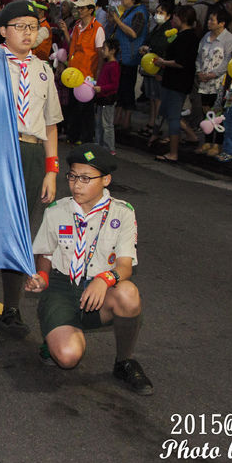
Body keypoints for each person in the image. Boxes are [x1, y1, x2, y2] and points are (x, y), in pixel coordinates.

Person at [0, 0, 62, 344]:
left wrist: (52, 170)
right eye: (20, 26)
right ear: (3, 31)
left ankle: (10, 309)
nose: (28, 33)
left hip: (32, 153)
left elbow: (50, 125)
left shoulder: (43, 70)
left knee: (20, 232)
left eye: (33, 27)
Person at [25, 143, 152, 395]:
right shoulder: (57, 211)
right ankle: (55, 337)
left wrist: (105, 279)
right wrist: (41, 276)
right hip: (62, 288)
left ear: (106, 179)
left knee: (128, 294)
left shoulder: (122, 212)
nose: (77, 185)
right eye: (72, 176)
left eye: (86, 178)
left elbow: (125, 265)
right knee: (68, 357)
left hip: (99, 290)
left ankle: (124, 361)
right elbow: (46, 252)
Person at [153, 6, 200, 163]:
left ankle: (173, 153)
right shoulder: (182, 35)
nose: (173, 20)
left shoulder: (187, 37)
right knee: (168, 112)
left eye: (175, 17)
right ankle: (189, 136)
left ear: (183, 19)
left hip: (177, 82)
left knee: (173, 117)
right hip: (172, 80)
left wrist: (163, 62)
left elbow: (181, 62)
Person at [58, 0, 104, 144]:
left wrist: (97, 76)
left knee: (86, 109)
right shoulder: (77, 26)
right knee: (73, 106)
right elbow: (72, 43)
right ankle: (73, 135)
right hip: (73, 73)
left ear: (91, 10)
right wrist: (65, 30)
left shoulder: (98, 29)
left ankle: (86, 138)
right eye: (78, 7)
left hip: (88, 75)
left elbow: (100, 53)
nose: (79, 10)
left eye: (82, 8)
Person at [194, 6, 232, 157]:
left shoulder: (229, 39)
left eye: (213, 19)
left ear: (222, 23)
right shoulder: (206, 36)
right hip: (204, 82)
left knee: (218, 113)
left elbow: (228, 61)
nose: (209, 22)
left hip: (219, 82)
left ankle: (217, 143)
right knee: (206, 111)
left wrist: (213, 74)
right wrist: (199, 72)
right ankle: (207, 140)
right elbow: (199, 56)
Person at [109, 0, 148, 131]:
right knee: (120, 90)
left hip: (129, 57)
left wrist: (118, 21)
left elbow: (133, 33)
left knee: (127, 90)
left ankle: (126, 121)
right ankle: (118, 119)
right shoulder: (129, 11)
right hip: (121, 56)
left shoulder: (140, 13)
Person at [137, 0, 175, 141]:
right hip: (149, 68)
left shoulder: (169, 31)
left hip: (158, 68)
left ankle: (155, 126)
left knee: (157, 98)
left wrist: (150, 49)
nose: (158, 15)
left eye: (162, 12)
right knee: (152, 97)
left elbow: (164, 49)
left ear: (169, 16)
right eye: (157, 11)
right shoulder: (156, 28)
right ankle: (151, 122)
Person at [93, 38, 120, 154]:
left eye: (105, 49)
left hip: (107, 99)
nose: (102, 51)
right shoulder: (107, 64)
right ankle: (99, 145)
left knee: (106, 124)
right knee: (99, 124)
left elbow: (114, 85)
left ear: (112, 50)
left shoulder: (114, 65)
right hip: (101, 98)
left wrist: (101, 88)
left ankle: (109, 148)